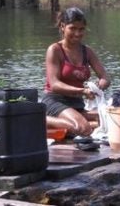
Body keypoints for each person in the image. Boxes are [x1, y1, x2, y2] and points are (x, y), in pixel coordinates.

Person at [41, 7, 110, 136]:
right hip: (55, 101)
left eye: (81, 29)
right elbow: (55, 85)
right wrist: (83, 91)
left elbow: (105, 76)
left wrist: (100, 85)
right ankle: (40, 120)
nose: (77, 34)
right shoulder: (55, 50)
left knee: (110, 120)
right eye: (72, 28)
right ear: (63, 26)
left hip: (76, 103)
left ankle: (70, 125)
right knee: (83, 128)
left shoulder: (87, 51)